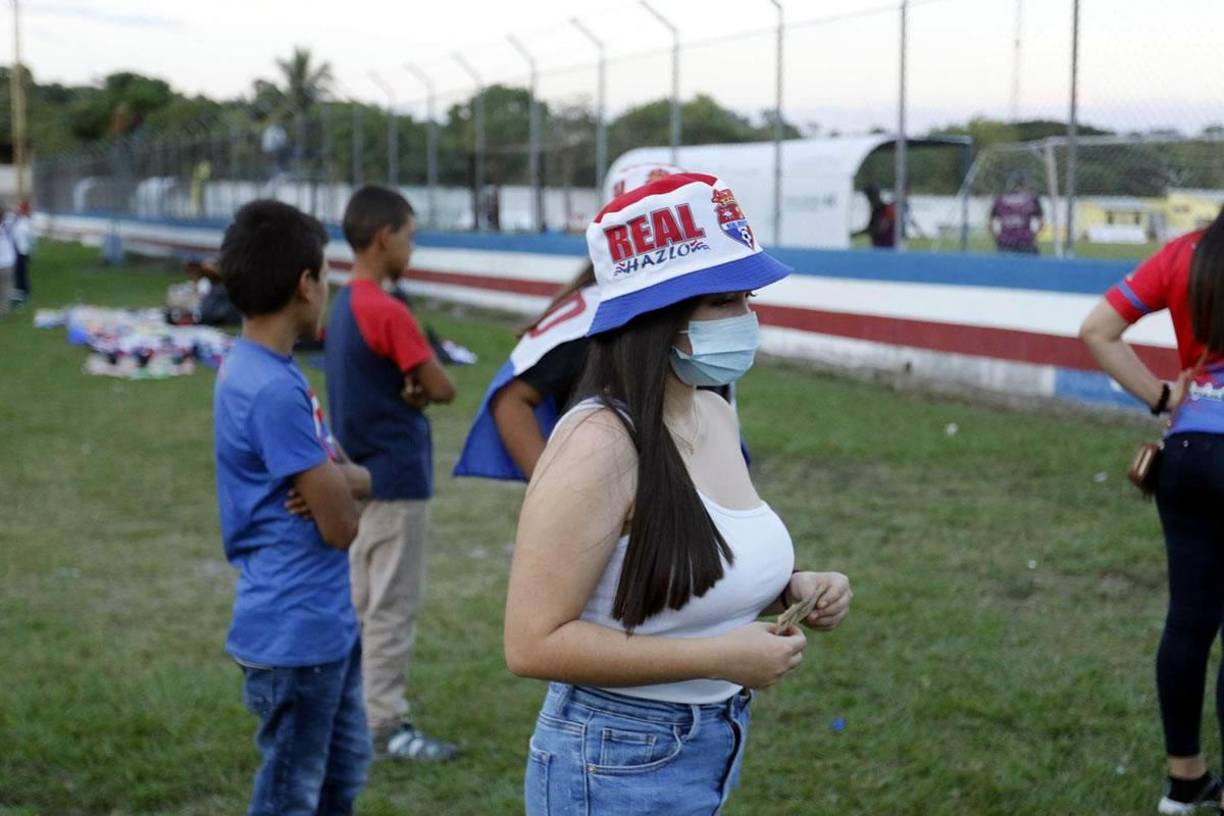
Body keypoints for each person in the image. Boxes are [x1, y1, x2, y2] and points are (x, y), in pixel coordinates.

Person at [504, 172, 853, 815]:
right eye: (723, 302)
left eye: (747, 299)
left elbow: (686, 563)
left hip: (705, 740)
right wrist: (719, 656)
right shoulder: (599, 443)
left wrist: (793, 588)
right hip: (613, 758)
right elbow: (531, 643)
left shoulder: (712, 411)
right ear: (655, 317)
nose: (746, 320)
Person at [213, 199, 373, 815]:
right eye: (327, 274)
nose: (330, 287)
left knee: (341, 773)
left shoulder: (260, 368)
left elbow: (351, 478)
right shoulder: (273, 391)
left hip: (321, 619)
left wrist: (347, 478)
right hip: (295, 630)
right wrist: (346, 485)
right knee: (291, 795)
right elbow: (342, 526)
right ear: (305, 284)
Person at [1080, 206, 1224, 816]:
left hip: (1188, 451)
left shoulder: (1186, 252)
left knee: (1188, 622)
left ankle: (1183, 783)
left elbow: (1097, 329)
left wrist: (1163, 397)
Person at [323, 185, 460, 761]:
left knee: (361, 605)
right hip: (396, 482)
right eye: (409, 236)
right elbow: (443, 387)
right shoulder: (387, 309)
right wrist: (421, 387)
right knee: (390, 609)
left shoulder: (343, 304)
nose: (412, 248)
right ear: (385, 237)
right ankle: (382, 724)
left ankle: (349, 712)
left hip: (356, 478)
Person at [454, 163, 686, 482]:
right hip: (618, 495)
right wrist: (554, 489)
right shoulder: (593, 316)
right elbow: (510, 400)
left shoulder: (696, 304)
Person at [990, 173, 1044, 254]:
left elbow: (990, 223)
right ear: (1025, 185)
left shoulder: (1000, 200)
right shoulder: (1031, 199)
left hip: (1005, 243)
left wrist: (997, 238)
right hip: (1026, 243)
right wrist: (1035, 237)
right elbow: (1041, 222)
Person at [852, 184, 897, 248]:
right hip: (878, 244)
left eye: (869, 196)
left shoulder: (885, 209)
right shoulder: (875, 210)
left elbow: (880, 227)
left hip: (887, 245)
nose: (868, 199)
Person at [11, 201, 32, 303]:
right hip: (18, 250)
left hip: (21, 251)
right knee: (19, 273)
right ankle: (21, 292)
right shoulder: (19, 221)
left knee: (21, 273)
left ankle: (24, 293)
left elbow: (22, 236)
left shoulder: (24, 222)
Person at [0, 205, 15, 318]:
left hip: (5, 261)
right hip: (8, 262)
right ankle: (3, 311)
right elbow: (14, 215)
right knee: (6, 288)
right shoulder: (8, 224)